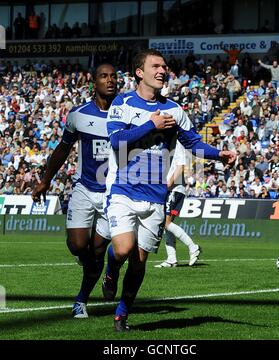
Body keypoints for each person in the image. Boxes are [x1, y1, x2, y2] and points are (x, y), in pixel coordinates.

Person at [102, 49, 236, 332]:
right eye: (156, 66)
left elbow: (194, 143)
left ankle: (121, 314)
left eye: (165, 66)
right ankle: (111, 269)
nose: (163, 70)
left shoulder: (175, 110)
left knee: (139, 265)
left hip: (156, 196)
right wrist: (150, 124)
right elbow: (117, 142)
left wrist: (217, 154)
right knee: (123, 249)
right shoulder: (122, 102)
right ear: (140, 72)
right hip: (124, 190)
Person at [32, 63, 117, 318]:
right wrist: (45, 180)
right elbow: (62, 149)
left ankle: (81, 300)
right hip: (84, 189)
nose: (110, 80)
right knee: (79, 246)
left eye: (113, 76)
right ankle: (91, 264)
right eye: (104, 76)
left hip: (113, 194)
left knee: (98, 251)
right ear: (94, 82)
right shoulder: (78, 114)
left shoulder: (125, 114)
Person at [155, 141, 201, 268]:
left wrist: (167, 185)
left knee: (167, 223)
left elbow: (180, 167)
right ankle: (171, 259)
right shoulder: (166, 145)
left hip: (174, 189)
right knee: (166, 225)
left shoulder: (177, 144)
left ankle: (193, 247)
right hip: (171, 189)